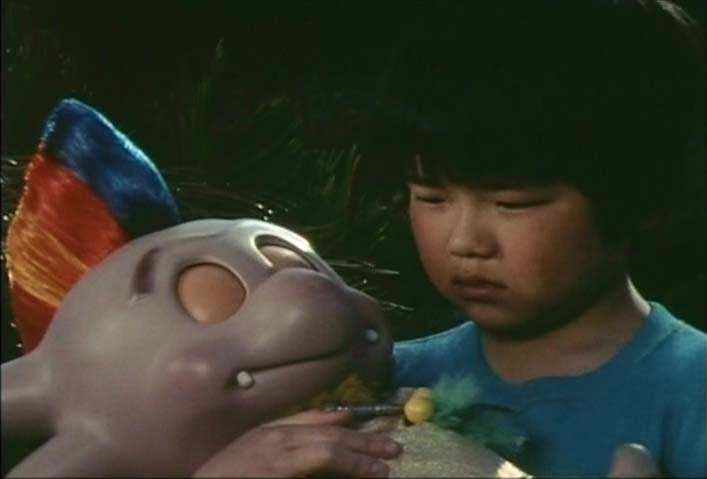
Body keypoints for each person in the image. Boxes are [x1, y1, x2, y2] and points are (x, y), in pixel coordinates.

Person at [195, 1, 706, 477]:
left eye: (512, 204)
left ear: (640, 197)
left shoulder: (690, 392)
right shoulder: (379, 378)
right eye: (432, 197)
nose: (465, 241)